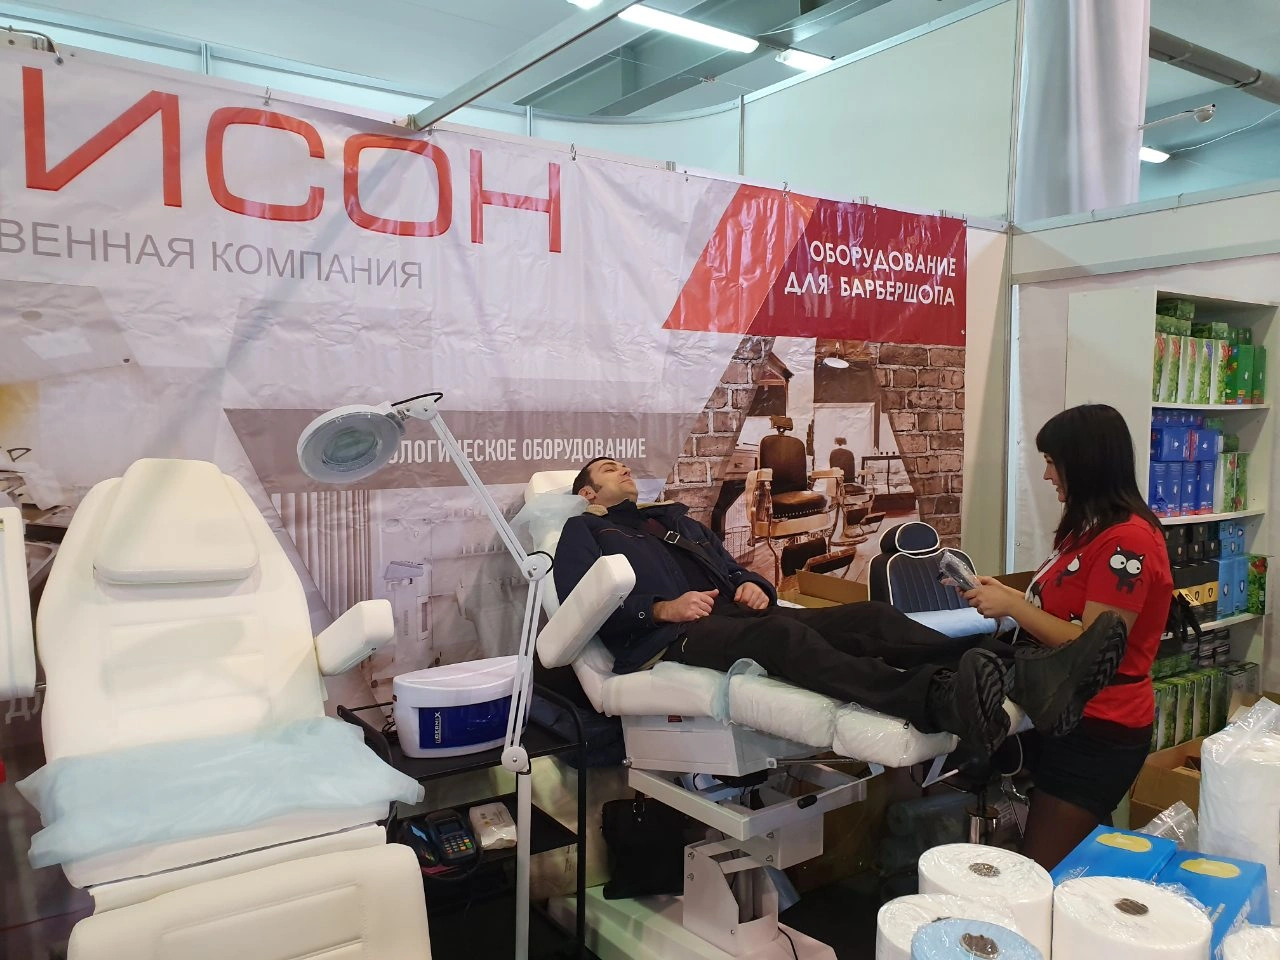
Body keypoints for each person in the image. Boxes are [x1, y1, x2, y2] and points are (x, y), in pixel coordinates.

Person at [553, 455, 1124, 762]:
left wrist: (754, 585)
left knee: (869, 619)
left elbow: (736, 570)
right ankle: (936, 699)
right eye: (606, 469)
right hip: (669, 642)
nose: (621, 469)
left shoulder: (676, 523)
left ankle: (1020, 669)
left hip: (736, 616)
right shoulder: (583, 533)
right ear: (587, 494)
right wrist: (661, 611)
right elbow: (585, 607)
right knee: (786, 641)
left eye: (622, 464)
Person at [960, 404, 1172, 869]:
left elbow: (1091, 645)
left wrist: (1014, 607)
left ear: (1086, 461)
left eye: (1053, 462)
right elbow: (1062, 610)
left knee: (1042, 869)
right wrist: (1009, 596)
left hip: (1101, 727)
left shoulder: (1127, 543)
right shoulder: (1087, 532)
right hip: (1067, 717)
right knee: (1068, 861)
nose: (1046, 475)